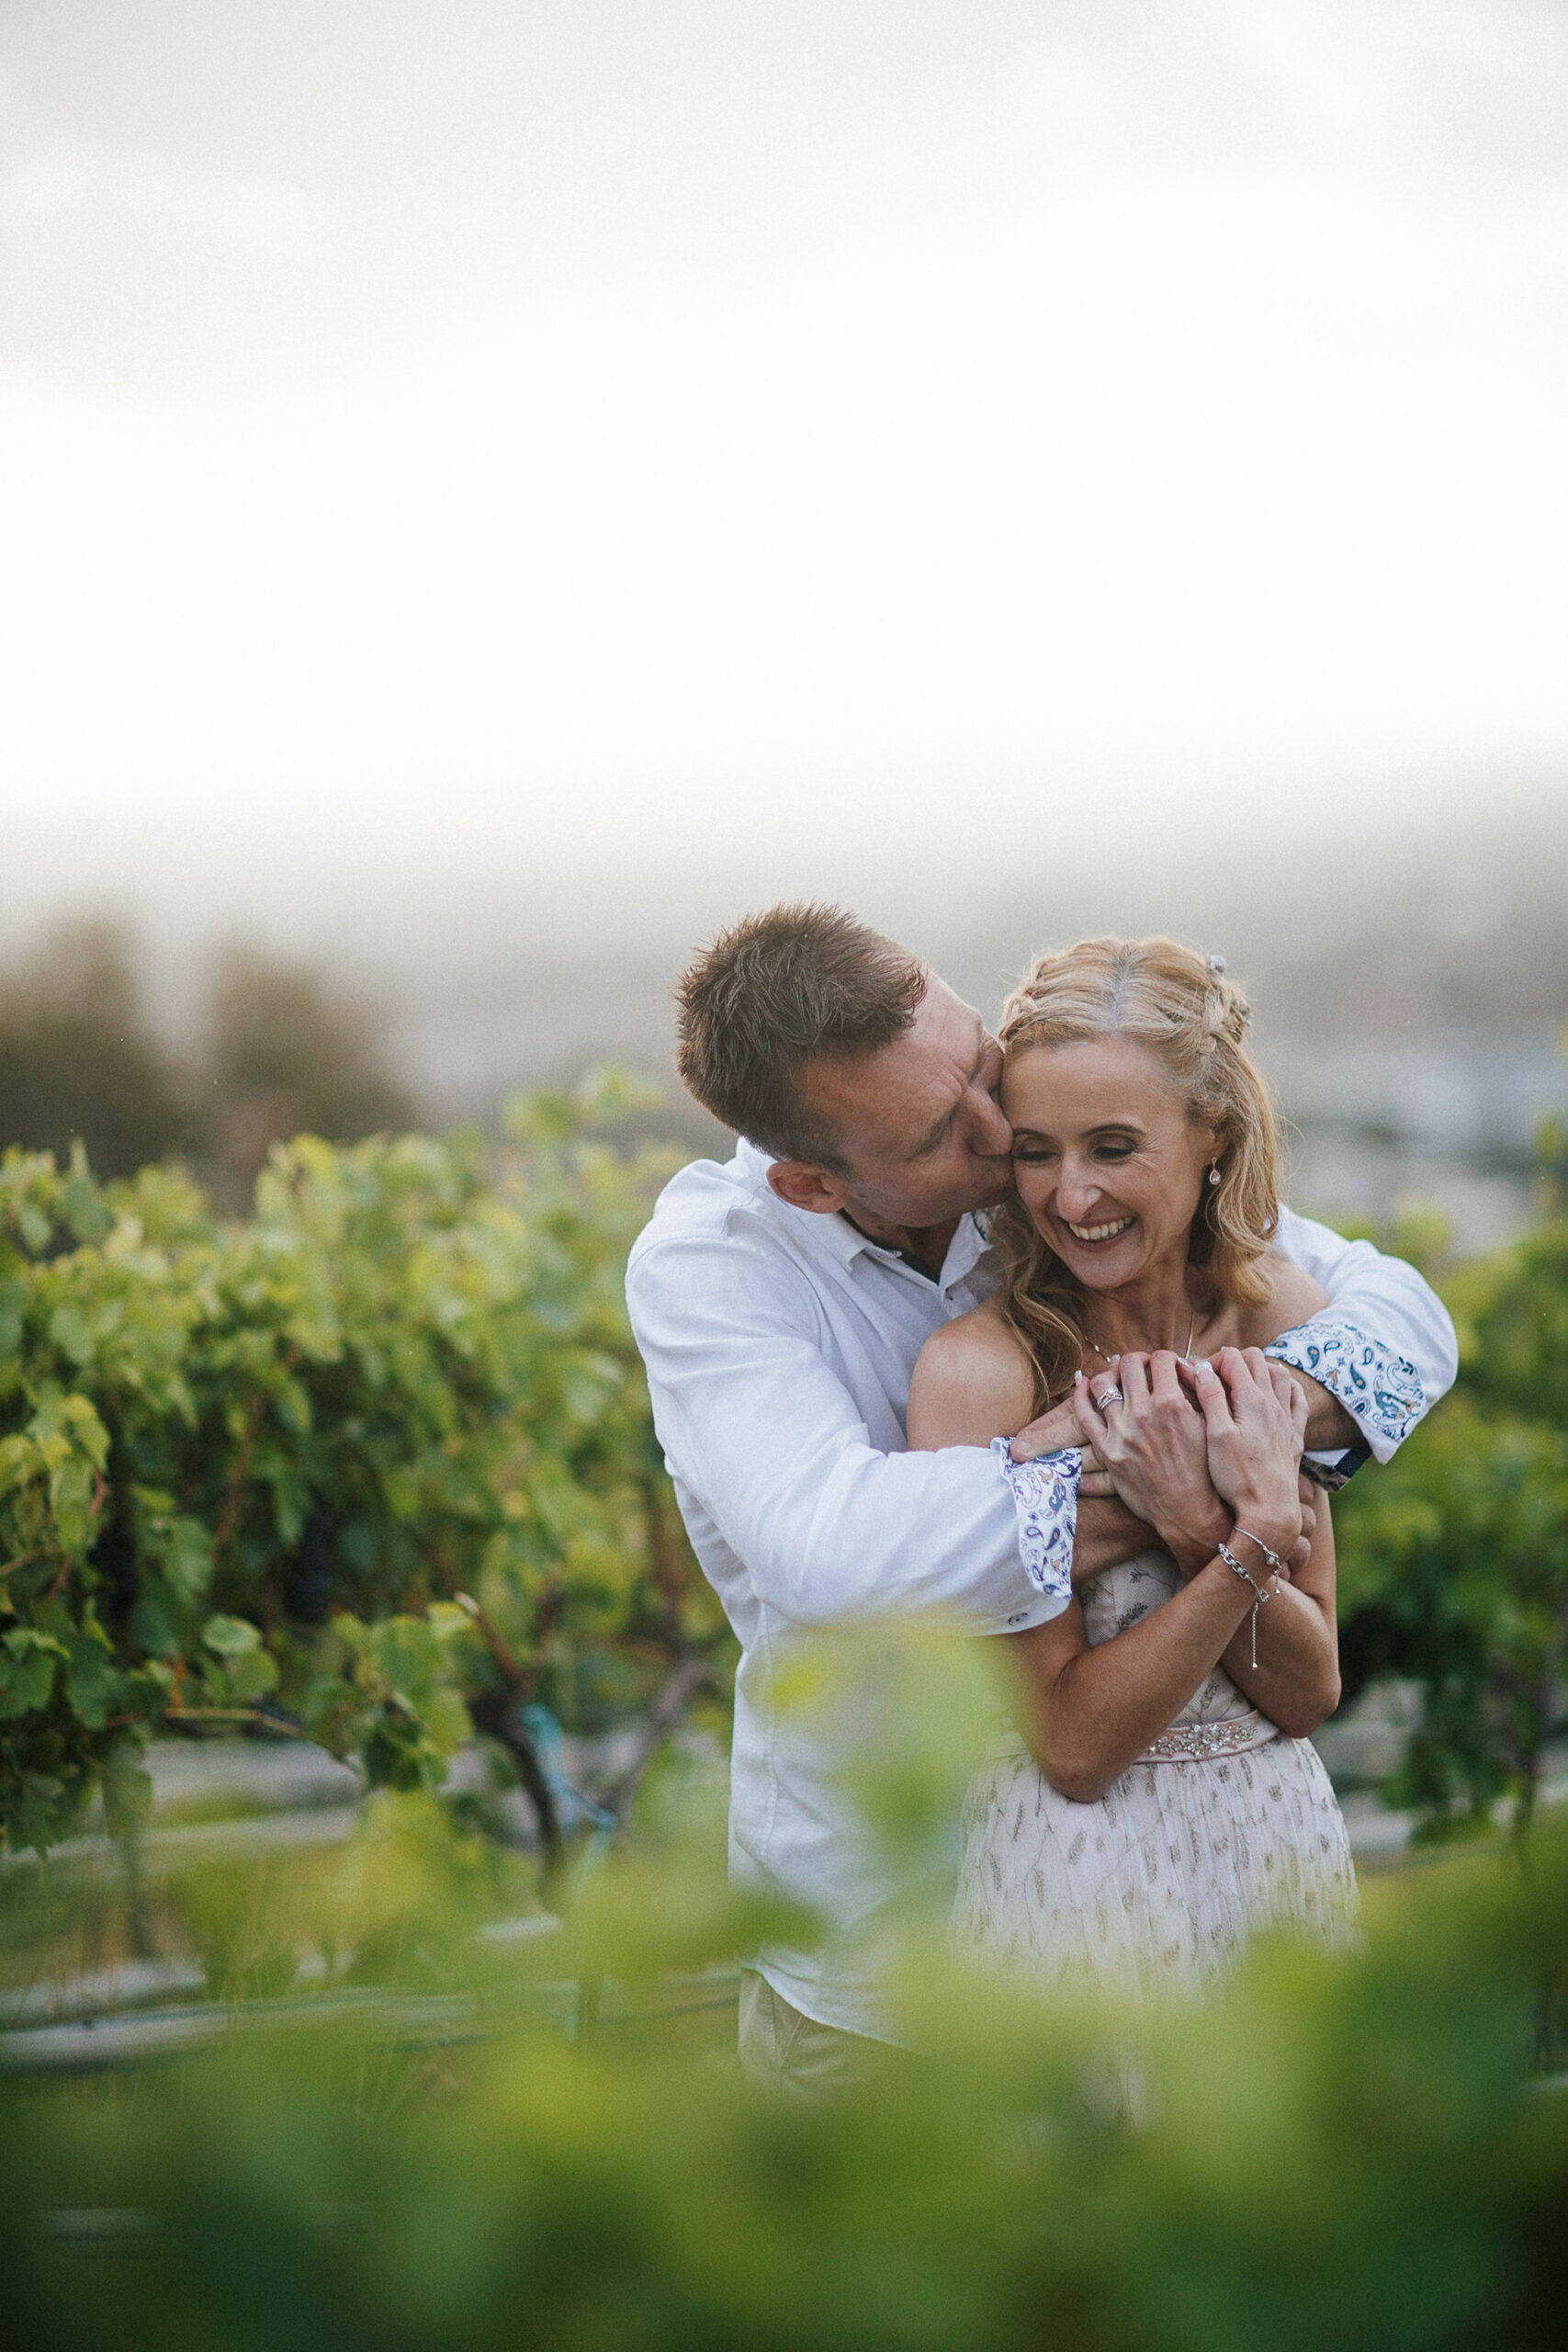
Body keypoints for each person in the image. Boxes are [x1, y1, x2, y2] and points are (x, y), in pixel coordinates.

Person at [625, 906, 1456, 2091]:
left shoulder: (1048, 1173)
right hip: (883, 1951)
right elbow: (839, 1557)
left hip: (1229, 1897)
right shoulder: (714, 1267)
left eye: (978, 1069)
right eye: (938, 1132)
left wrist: (1222, 1425)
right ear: (815, 1182)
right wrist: (1193, 1479)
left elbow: (1400, 1319)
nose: (998, 1134)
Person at [909, 937, 1361, 1993]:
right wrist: (1246, 1538)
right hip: (1080, 1879)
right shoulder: (982, 1374)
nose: (1071, 1198)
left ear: (1213, 1136)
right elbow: (1073, 1744)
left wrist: (1202, 1530)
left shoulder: (1282, 1320)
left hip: (1278, 1854)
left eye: (1114, 1147)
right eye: (1034, 1152)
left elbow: (1309, 1690)